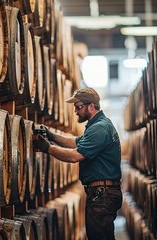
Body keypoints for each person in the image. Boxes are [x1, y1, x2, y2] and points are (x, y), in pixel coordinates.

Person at [34, 87, 122, 240]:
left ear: (91, 106)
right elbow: (75, 142)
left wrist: (48, 148)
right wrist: (51, 135)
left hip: (102, 195)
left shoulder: (100, 129)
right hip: (101, 194)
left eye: (78, 107)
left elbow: (75, 155)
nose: (75, 111)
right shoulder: (98, 125)